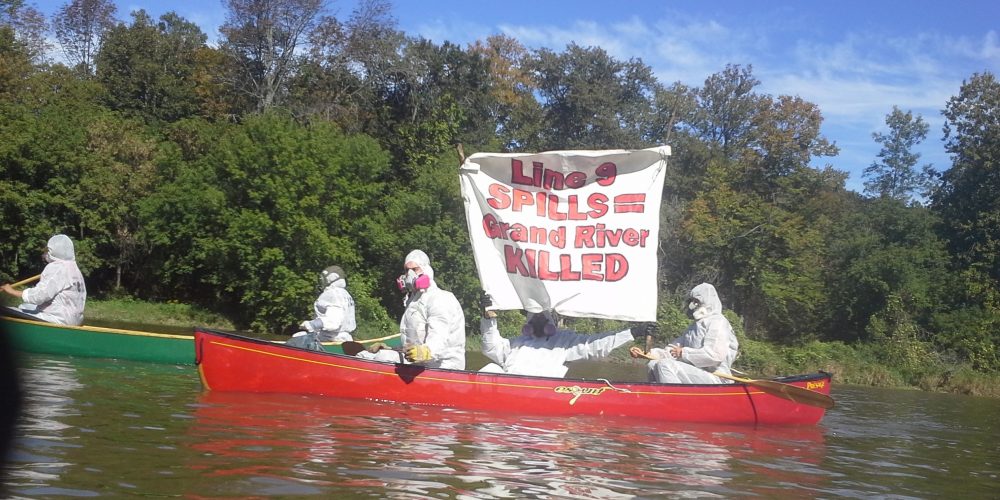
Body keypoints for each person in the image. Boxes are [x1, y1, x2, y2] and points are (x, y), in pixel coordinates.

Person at [478, 292, 649, 378]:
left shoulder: (564, 342)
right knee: (490, 369)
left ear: (551, 321)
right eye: (534, 317)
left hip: (543, 393)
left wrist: (632, 333)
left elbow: (595, 345)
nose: (538, 321)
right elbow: (491, 347)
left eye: (542, 317)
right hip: (509, 389)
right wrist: (488, 317)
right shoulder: (517, 343)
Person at [371, 249, 466, 369]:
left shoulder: (440, 298)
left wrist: (426, 352)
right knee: (378, 356)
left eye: (415, 269)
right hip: (419, 364)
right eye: (407, 270)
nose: (410, 274)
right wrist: (391, 349)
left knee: (382, 359)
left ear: (426, 270)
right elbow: (414, 344)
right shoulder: (413, 301)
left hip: (444, 368)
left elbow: (440, 337)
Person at [630, 283, 739, 384]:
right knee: (653, 364)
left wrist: (684, 353)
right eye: (692, 301)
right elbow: (672, 351)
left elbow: (714, 355)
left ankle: (674, 401)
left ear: (708, 301)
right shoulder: (693, 327)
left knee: (665, 365)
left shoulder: (718, 322)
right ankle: (656, 398)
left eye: (697, 301)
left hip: (717, 378)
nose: (693, 305)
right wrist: (647, 354)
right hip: (696, 373)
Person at [1, 234, 86, 326]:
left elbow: (39, 296)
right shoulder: (74, 269)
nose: (47, 253)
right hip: (75, 320)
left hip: (57, 319)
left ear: (53, 251)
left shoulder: (56, 268)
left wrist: (11, 291)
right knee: (24, 306)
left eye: (48, 250)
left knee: (5, 310)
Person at [294, 265, 357, 343]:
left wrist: (312, 324)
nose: (321, 281)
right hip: (345, 338)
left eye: (323, 278)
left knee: (298, 337)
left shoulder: (332, 294)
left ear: (331, 278)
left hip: (330, 338)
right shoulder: (345, 294)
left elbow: (334, 321)